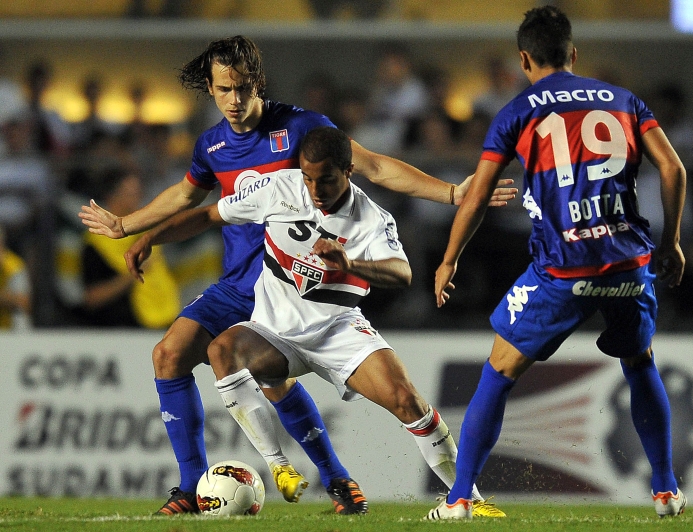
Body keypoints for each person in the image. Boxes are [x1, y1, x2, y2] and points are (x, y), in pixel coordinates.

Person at [79, 35, 514, 515]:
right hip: (243, 282)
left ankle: (346, 479)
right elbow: (190, 202)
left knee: (289, 381)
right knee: (170, 355)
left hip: (309, 290)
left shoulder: (304, 129)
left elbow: (373, 167)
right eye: (224, 90)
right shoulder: (212, 145)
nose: (235, 100)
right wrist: (132, 226)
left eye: (243, 88)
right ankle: (192, 488)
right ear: (211, 88)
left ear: (258, 84)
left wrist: (453, 194)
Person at [426, 6, 687, 520]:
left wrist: (450, 258)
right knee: (639, 362)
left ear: (524, 58)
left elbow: (477, 196)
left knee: (499, 371)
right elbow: (673, 168)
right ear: (574, 53)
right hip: (627, 264)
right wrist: (672, 242)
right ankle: (665, 490)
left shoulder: (518, 111)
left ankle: (458, 498)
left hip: (563, 268)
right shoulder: (624, 101)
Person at [80, 166, 180, 328]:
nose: (138, 199)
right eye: (131, 194)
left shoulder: (147, 233)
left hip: (162, 320)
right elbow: (92, 298)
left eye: (139, 193)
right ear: (112, 196)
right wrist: (132, 273)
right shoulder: (96, 244)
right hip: (122, 330)